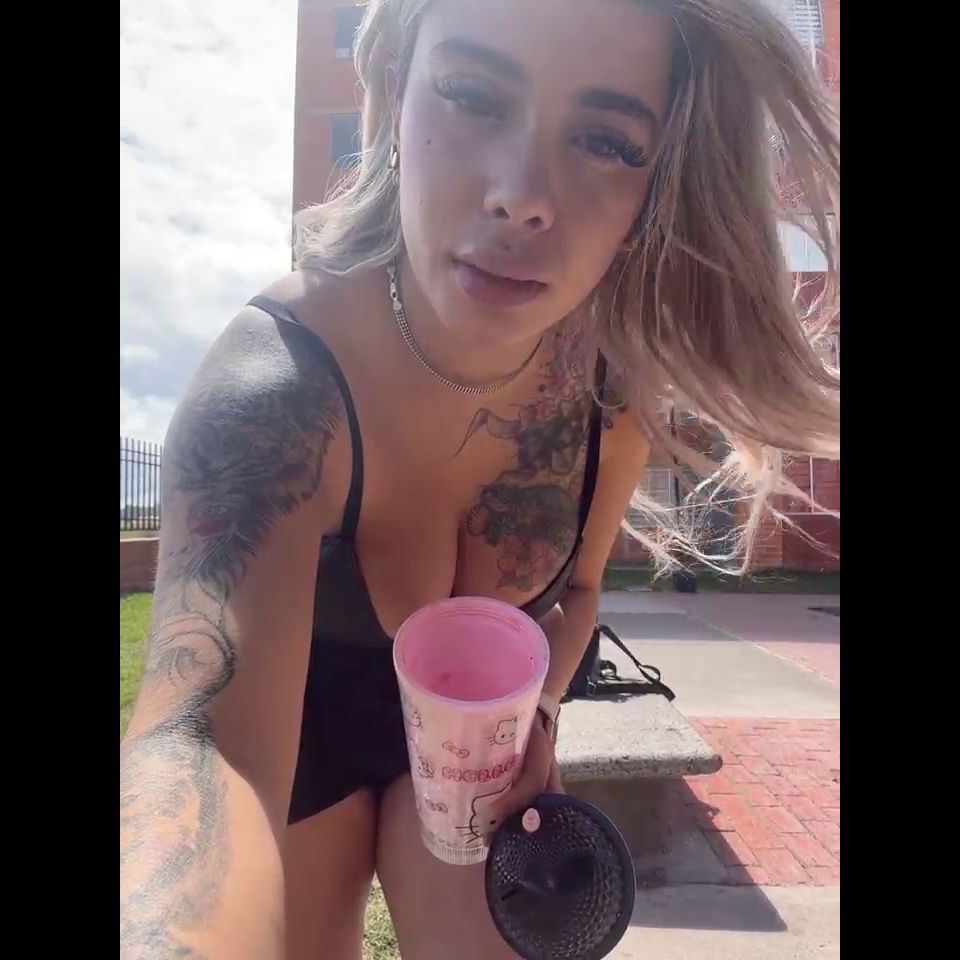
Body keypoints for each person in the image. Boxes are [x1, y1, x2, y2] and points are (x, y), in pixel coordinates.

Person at [119, 0, 839, 956]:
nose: (523, 196)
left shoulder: (612, 389)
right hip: (299, 743)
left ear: (654, 179)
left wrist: (534, 710)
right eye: (470, 93)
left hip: (480, 757)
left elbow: (581, 592)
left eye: (605, 141)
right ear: (393, 91)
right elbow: (205, 744)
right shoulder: (275, 390)